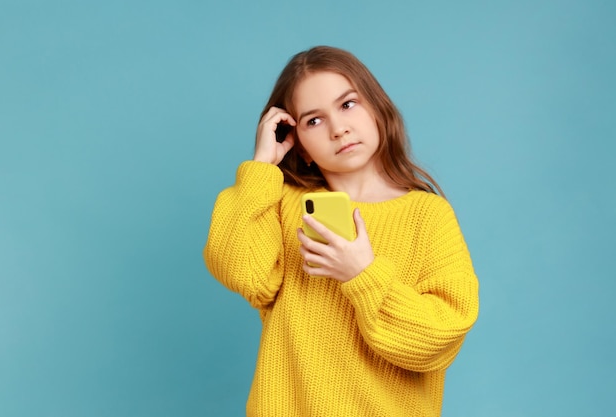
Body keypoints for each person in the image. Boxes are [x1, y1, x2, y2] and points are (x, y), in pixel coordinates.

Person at [203, 45, 479, 417]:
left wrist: (362, 274)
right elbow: (242, 272)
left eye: (348, 104)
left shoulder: (428, 215)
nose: (339, 128)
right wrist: (261, 168)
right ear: (297, 143)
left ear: (377, 106)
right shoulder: (283, 205)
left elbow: (439, 341)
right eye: (313, 120)